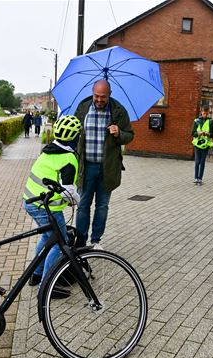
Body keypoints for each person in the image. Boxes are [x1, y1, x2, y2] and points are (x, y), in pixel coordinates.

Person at [23, 115, 82, 299]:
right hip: (46, 207)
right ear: (75, 138)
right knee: (60, 241)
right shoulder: (68, 159)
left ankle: (36, 274)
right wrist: (78, 200)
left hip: (30, 202)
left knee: (47, 238)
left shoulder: (48, 150)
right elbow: (68, 192)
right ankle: (46, 286)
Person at [74, 79, 134, 249]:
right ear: (93, 93)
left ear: (109, 95)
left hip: (108, 168)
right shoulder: (83, 108)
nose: (99, 100)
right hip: (86, 167)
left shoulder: (118, 110)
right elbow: (74, 134)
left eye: (103, 97)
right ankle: (80, 242)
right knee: (83, 205)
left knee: (102, 206)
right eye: (97, 96)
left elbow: (130, 135)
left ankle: (95, 241)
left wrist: (119, 133)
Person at [191, 105, 213, 185]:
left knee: (202, 161)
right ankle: (196, 178)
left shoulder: (210, 121)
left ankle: (200, 179)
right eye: (203, 113)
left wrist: (208, 134)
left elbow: (212, 134)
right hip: (197, 144)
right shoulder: (196, 121)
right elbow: (192, 133)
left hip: (206, 144)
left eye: (206, 113)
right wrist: (198, 133)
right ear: (201, 112)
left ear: (208, 112)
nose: (205, 114)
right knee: (197, 161)